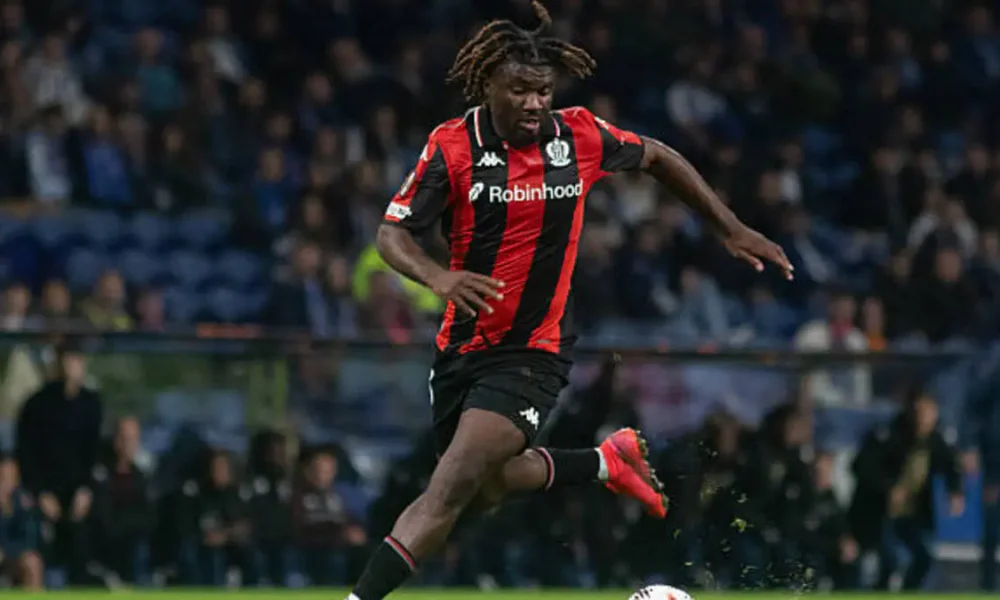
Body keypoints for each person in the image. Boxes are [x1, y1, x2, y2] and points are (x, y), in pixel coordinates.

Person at [352, 3, 793, 599]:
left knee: (448, 489)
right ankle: (605, 462)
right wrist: (438, 277)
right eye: (520, 90)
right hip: (462, 348)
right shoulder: (453, 147)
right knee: (486, 488)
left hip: (535, 350)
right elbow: (391, 234)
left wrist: (730, 227)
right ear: (489, 87)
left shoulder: (579, 134)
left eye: (543, 90)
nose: (535, 103)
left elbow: (658, 156)